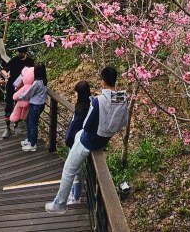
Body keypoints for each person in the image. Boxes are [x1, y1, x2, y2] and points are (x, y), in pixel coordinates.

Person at [45, 67, 130, 214]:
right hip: (104, 139)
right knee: (78, 135)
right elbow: (124, 121)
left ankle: (59, 205)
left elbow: (87, 125)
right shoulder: (122, 98)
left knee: (68, 170)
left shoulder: (98, 101)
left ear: (102, 82)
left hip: (89, 141)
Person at [65, 80, 92, 204]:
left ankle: (76, 197)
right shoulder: (81, 106)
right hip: (72, 142)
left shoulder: (84, 109)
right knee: (73, 169)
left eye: (76, 92)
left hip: (76, 143)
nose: (74, 94)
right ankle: (73, 192)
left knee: (75, 170)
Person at [1, 45, 34, 137]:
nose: (20, 54)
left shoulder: (30, 62)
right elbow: (3, 69)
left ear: (25, 52)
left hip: (22, 87)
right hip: (11, 85)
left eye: (22, 53)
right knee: (9, 105)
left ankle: (16, 125)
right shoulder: (14, 60)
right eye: (19, 52)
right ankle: (7, 127)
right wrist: (6, 75)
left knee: (19, 106)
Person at [17, 63, 48, 152]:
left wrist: (20, 96)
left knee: (32, 124)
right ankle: (29, 139)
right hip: (40, 104)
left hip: (36, 105)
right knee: (29, 122)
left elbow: (29, 93)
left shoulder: (37, 83)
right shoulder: (44, 80)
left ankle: (32, 144)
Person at [6, 64, 36, 136]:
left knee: (17, 107)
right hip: (29, 102)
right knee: (19, 109)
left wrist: (18, 96)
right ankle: (20, 118)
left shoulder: (33, 84)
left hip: (22, 100)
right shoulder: (35, 84)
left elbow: (17, 95)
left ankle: (15, 119)